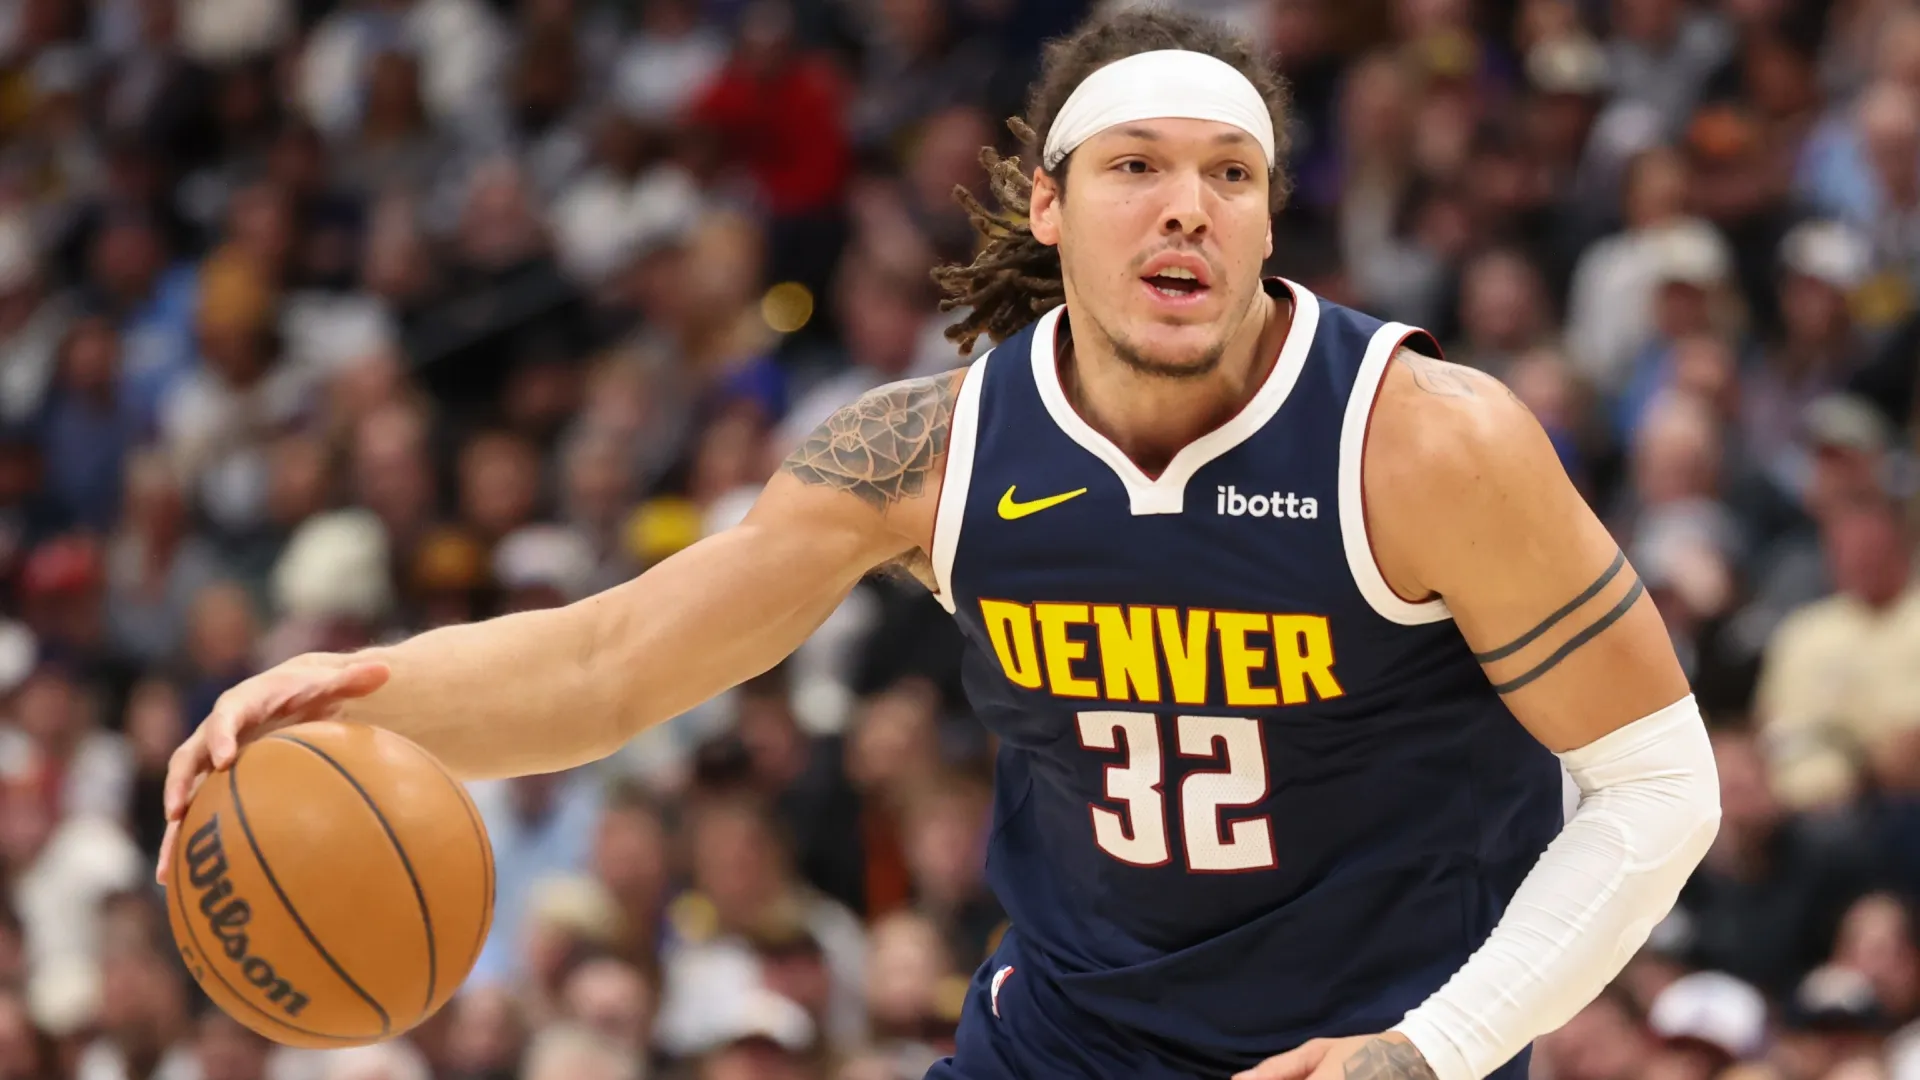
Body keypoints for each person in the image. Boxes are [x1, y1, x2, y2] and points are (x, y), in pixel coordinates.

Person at [156, 10, 1723, 1080]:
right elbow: (616, 657)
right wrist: (354, 694)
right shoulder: (934, 450)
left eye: (1229, 177)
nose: (1189, 209)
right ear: (1048, 207)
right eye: (1139, 170)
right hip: (1068, 1038)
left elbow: (1659, 787)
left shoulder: (1422, 440)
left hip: (1359, 1049)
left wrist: (1435, 1051)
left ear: (1267, 215)